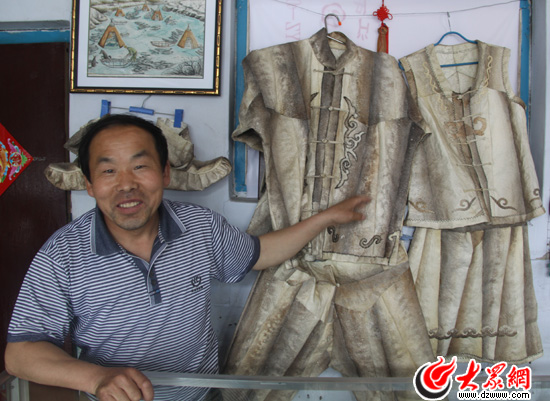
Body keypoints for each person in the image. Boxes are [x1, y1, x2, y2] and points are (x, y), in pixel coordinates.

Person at [4, 114, 370, 401]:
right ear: (89, 184)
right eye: (108, 171)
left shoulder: (199, 226)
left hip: (200, 396)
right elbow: (21, 354)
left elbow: (260, 253)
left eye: (140, 166)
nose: (126, 184)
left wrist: (325, 218)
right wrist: (97, 378)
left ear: (165, 172)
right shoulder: (63, 254)